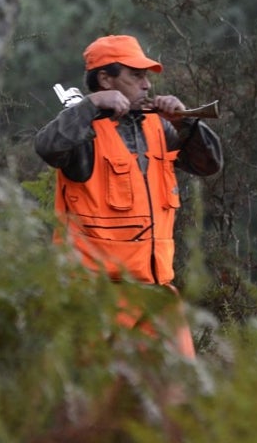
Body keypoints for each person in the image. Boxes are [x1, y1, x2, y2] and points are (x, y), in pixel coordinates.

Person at [34, 34, 223, 358]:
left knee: (177, 399)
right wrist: (91, 105)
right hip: (95, 296)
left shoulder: (159, 129)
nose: (147, 85)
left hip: (157, 294)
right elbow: (47, 146)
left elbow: (209, 165)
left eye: (146, 76)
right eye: (136, 76)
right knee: (99, 403)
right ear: (106, 79)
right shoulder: (85, 133)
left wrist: (185, 122)